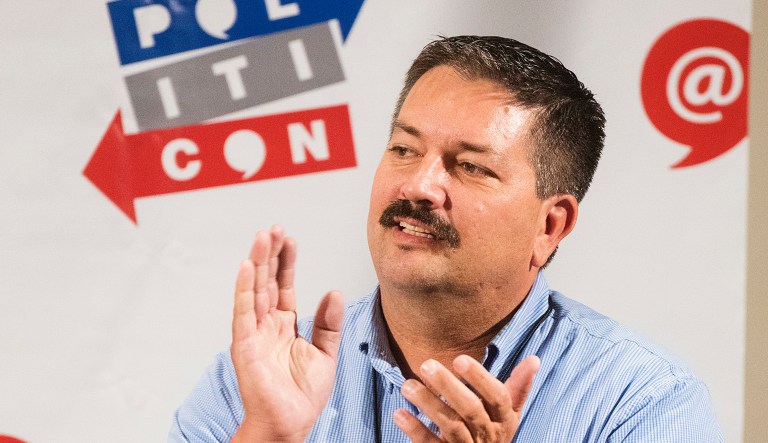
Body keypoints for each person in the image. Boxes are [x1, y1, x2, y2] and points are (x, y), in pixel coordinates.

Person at [169, 36, 722, 442]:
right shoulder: (263, 374)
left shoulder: (640, 402)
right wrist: (267, 434)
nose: (419, 185)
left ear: (548, 226)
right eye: (405, 149)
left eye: (470, 167)